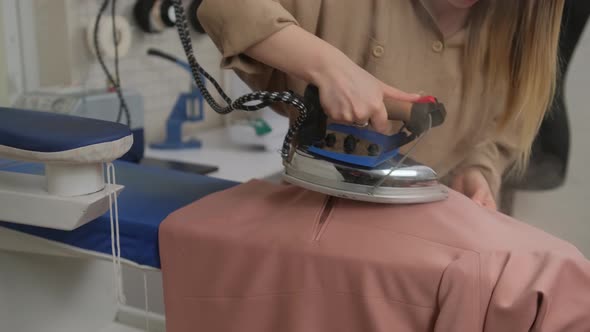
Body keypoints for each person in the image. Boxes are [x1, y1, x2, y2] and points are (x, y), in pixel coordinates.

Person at [196, 0, 565, 210]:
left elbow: (504, 124)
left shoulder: (518, 24)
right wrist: (330, 66)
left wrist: (477, 170)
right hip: (316, 226)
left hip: (429, 240)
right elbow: (225, 5)